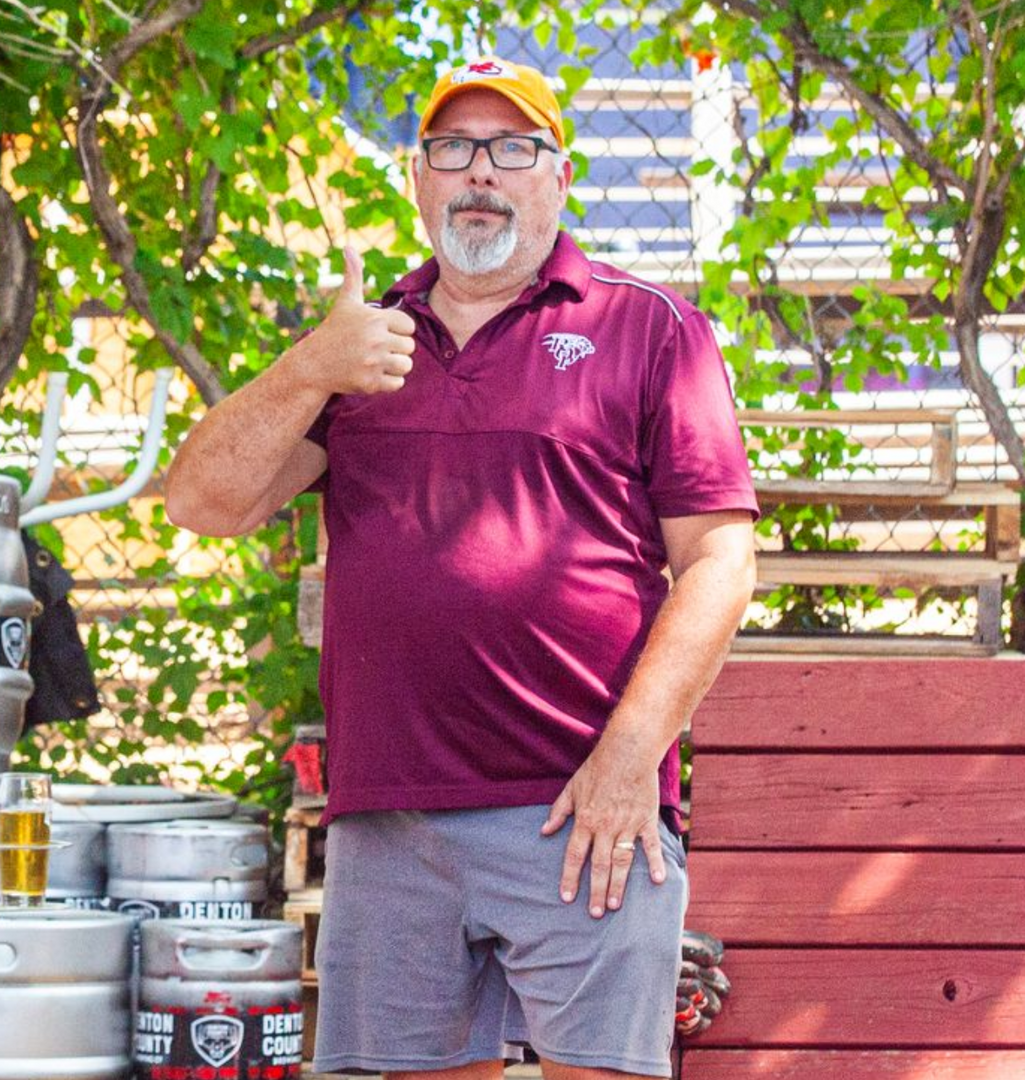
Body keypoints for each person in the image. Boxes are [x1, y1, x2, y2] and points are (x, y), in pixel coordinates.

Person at [165, 57, 758, 1080]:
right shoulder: (363, 348)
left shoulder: (645, 329)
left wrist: (629, 761)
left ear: (557, 178)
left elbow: (717, 561)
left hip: (584, 810)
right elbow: (202, 504)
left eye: (512, 147)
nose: (481, 172)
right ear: (418, 178)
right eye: (453, 148)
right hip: (391, 813)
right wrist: (308, 365)